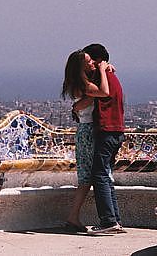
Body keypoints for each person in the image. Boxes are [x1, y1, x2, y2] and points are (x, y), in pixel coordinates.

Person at [61, 49, 111, 233]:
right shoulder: (83, 86)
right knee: (87, 177)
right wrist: (104, 71)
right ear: (80, 66)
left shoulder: (81, 84)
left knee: (87, 177)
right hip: (88, 131)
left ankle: (73, 217)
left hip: (86, 130)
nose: (93, 64)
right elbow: (105, 92)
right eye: (89, 62)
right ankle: (73, 216)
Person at [83, 43, 126, 235]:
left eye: (90, 60)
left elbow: (99, 92)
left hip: (107, 131)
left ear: (97, 60)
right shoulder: (110, 76)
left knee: (99, 175)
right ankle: (114, 220)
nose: (88, 64)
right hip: (117, 131)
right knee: (106, 176)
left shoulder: (103, 78)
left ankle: (108, 221)